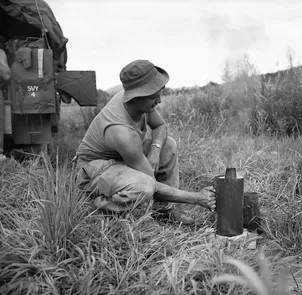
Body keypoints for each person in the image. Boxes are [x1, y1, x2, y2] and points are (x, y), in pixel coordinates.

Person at [75, 59, 216, 225]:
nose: (159, 101)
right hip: (93, 169)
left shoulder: (140, 104)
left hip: (121, 158)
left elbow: (160, 126)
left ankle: (163, 211)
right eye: (153, 97)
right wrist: (197, 198)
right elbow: (153, 185)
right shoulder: (122, 132)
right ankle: (99, 207)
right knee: (144, 186)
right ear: (135, 97)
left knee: (168, 145)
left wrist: (155, 150)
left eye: (159, 94)